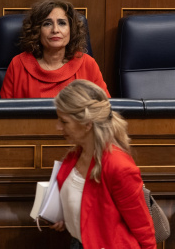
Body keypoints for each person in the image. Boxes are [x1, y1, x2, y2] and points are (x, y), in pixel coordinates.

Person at [51, 79, 156, 249]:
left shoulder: (119, 166)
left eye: (64, 121)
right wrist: (66, 217)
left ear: (87, 124)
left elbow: (143, 229)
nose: (58, 127)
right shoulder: (74, 156)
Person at [0, 0, 110, 99]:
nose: (55, 30)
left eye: (62, 23)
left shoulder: (87, 64)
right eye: (47, 24)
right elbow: (3, 114)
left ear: (71, 30)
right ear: (37, 31)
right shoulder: (18, 65)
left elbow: (105, 110)